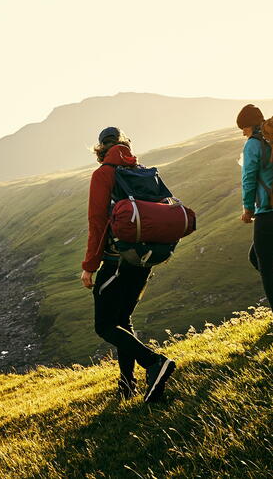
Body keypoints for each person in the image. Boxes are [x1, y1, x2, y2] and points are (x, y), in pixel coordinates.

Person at [80, 126, 175, 402]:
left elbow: (97, 223)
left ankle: (154, 362)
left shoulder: (103, 174)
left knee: (105, 325)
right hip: (144, 258)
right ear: (125, 146)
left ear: (100, 149)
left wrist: (89, 265)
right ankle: (127, 385)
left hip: (116, 261)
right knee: (123, 320)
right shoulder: (142, 171)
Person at [236, 104, 273, 314]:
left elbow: (249, 178)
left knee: (266, 267)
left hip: (268, 213)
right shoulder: (271, 139)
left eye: (243, 128)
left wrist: (248, 209)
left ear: (250, 126)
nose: (243, 132)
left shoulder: (254, 144)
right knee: (255, 257)